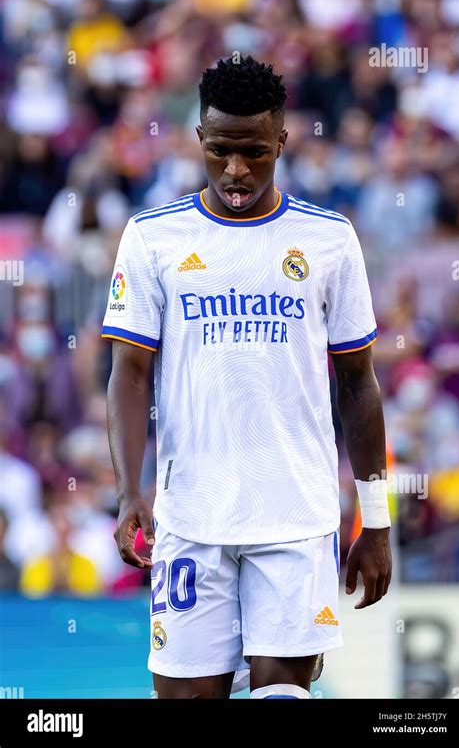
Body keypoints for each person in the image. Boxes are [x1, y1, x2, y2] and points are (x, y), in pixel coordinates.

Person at [102, 55, 392, 700]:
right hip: (191, 515)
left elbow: (359, 385)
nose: (236, 170)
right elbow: (128, 372)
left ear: (282, 143)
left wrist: (375, 521)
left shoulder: (328, 240)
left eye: (255, 153)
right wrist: (129, 492)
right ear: (200, 141)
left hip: (297, 515)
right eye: (222, 151)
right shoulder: (153, 237)